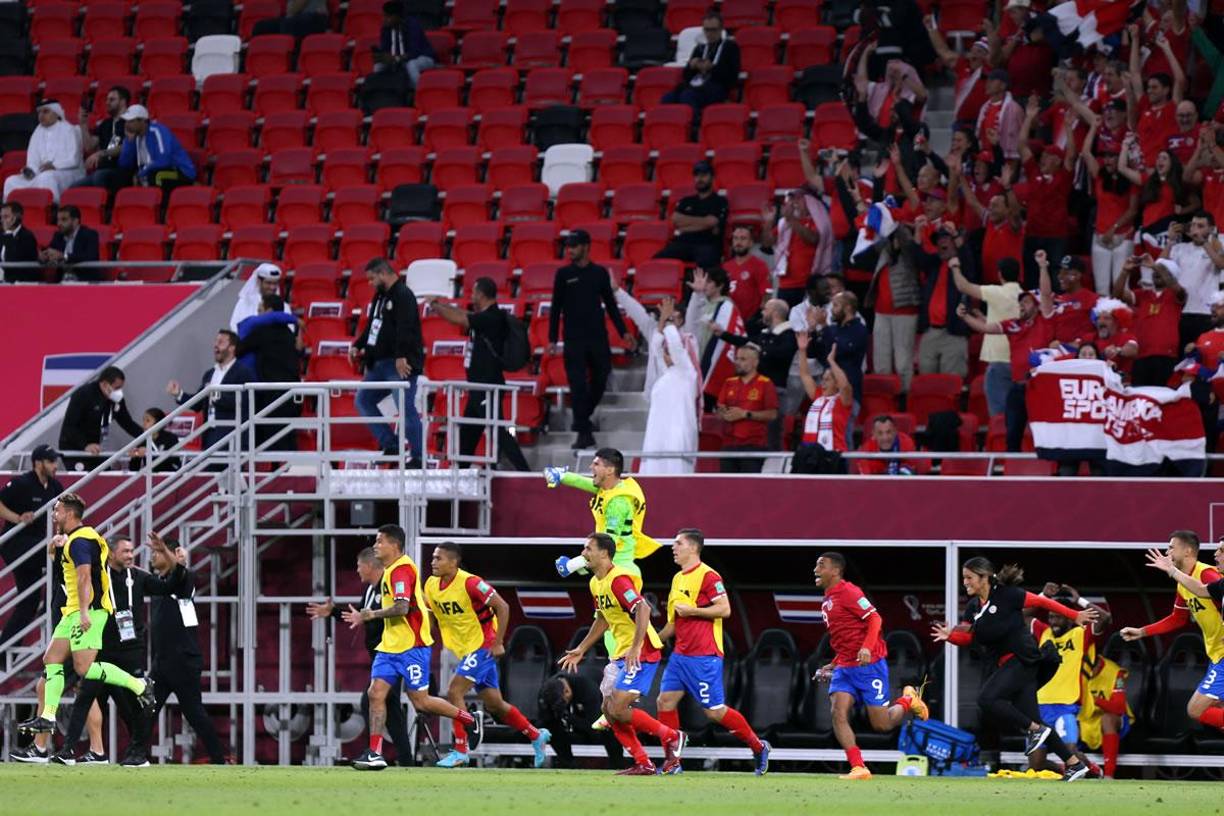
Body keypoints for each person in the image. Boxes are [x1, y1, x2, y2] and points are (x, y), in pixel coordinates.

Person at [930, 557, 1095, 783]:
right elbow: (968, 636)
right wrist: (950, 636)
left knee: (987, 699)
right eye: (964, 578)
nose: (965, 582)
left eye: (969, 577)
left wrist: (1075, 615)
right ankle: (1074, 765)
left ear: (984, 578)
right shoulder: (973, 607)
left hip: (1022, 659)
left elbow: (1043, 602)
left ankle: (1034, 729)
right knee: (1035, 720)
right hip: (1007, 666)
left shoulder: (1008, 594)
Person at [17, 494, 155, 739]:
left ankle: (139, 685)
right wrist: (55, 551)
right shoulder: (82, 538)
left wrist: (83, 612)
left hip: (88, 610)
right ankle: (48, 717)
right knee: (52, 660)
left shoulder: (80, 541)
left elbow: (84, 577)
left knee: (84, 668)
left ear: (69, 514)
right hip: (73, 610)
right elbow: (70, 572)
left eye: (57, 510)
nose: (53, 514)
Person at [348, 524, 475, 771]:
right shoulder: (389, 570)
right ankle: (375, 752)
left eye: (379, 541)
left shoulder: (402, 570)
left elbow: (401, 607)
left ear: (394, 545)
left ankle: (469, 719)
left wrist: (370, 614)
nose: (375, 546)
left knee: (422, 702)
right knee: (375, 694)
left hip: (411, 647)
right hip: (390, 646)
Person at [55, 535, 188, 766]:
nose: (130, 555)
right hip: (102, 650)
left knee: (136, 706)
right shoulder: (97, 577)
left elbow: (170, 586)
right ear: (112, 553)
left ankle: (138, 753)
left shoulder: (138, 576)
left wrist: (167, 554)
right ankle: (68, 750)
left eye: (131, 551)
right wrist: (58, 552)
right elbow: (67, 583)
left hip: (129, 652)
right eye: (125, 551)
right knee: (85, 698)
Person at [558, 533, 684, 776]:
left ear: (604, 553)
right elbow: (603, 619)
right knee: (608, 710)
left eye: (588, 549)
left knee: (616, 707)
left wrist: (636, 646)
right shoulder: (595, 583)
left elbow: (643, 608)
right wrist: (582, 648)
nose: (583, 553)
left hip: (642, 650)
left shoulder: (619, 580)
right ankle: (643, 763)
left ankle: (672, 736)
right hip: (621, 653)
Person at [424, 542, 551, 768]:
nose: (433, 562)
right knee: (495, 705)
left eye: (439, 558)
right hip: (465, 650)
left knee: (454, 691)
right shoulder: (431, 585)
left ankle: (461, 750)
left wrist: (498, 642)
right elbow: (434, 616)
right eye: (433, 558)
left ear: (454, 562)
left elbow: (503, 607)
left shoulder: (471, 583)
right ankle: (536, 735)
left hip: (483, 645)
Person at [656, 528, 771, 775]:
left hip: (704, 657)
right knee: (664, 701)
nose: (673, 547)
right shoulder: (678, 579)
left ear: (693, 548)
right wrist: (651, 640)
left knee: (714, 712)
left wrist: (694, 611)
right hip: (680, 656)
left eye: (678, 543)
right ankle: (672, 762)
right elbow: (674, 623)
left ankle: (758, 746)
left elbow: (725, 609)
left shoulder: (709, 576)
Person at [813, 552, 929, 780]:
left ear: (836, 571)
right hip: (845, 667)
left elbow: (875, 619)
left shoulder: (849, 592)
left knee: (881, 724)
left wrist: (866, 647)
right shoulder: (827, 600)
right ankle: (858, 767)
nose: (816, 569)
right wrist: (834, 663)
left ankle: (908, 700)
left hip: (869, 666)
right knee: (837, 713)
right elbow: (844, 638)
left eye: (821, 565)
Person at [307, 548, 414, 767]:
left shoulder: (388, 585)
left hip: (394, 654)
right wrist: (334, 612)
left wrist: (369, 616)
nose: (357, 570)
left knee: (372, 700)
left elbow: (396, 612)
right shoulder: (369, 590)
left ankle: (378, 754)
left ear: (371, 566)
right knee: (390, 707)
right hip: (380, 656)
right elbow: (361, 615)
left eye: (359, 565)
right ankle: (404, 760)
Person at [958, 249, 1058, 451]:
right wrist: (965, 317)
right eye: (1020, 302)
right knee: (1012, 435)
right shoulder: (1014, 325)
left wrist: (1042, 266)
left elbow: (1046, 294)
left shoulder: (1044, 321)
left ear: (1037, 307)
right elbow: (986, 328)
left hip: (1038, 387)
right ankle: (1011, 473)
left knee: (1040, 433)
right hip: (1016, 388)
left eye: (1027, 302)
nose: (1022, 305)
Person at [428, 278, 531, 471]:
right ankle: (460, 474)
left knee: (499, 430)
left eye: (474, 292)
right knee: (468, 434)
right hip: (478, 386)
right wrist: (442, 304)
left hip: (487, 386)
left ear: (482, 295)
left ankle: (526, 473)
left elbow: (459, 319)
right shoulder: (486, 316)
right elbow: (464, 314)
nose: (471, 296)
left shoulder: (491, 318)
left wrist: (434, 305)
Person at [143, 531, 229, 763]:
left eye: (157, 553)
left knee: (194, 714)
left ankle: (220, 759)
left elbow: (180, 572)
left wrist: (173, 558)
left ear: (171, 555)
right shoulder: (159, 583)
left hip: (182, 661)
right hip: (162, 662)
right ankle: (136, 754)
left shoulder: (184, 578)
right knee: (147, 710)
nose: (152, 557)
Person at [1127, 532, 1224, 735]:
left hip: (1223, 655)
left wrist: (1171, 570)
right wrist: (1142, 632)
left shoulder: (1207, 575)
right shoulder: (1183, 584)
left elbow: (1204, 590)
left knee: (1197, 709)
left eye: (1172, 547)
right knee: (1213, 710)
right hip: (1215, 655)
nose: (1167, 551)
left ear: (1187, 551)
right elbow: (1177, 619)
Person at [548, 230, 627, 450]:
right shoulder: (563, 274)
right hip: (573, 338)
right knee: (578, 385)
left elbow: (610, 305)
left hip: (597, 337)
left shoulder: (599, 273)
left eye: (574, 246)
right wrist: (552, 338)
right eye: (568, 246)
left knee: (601, 378)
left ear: (586, 246)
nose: (570, 250)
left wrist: (623, 332)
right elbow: (555, 308)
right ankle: (583, 432)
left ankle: (581, 419)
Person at [612, 280, 701, 475]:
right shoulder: (665, 375)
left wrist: (668, 321)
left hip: (678, 437)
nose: (666, 354)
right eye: (665, 352)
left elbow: (676, 348)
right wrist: (663, 322)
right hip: (657, 438)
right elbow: (656, 347)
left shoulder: (687, 373)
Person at [1029, 584, 1110, 775]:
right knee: (1036, 763)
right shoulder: (1043, 632)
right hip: (1039, 705)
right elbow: (1022, 615)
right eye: (1051, 617)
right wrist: (1042, 596)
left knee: (1070, 751)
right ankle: (1065, 769)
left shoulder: (1081, 633)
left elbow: (1105, 618)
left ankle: (1094, 770)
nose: (1053, 621)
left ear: (1069, 617)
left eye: (1058, 617)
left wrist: (1078, 600)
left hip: (1066, 705)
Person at [352, 257, 424, 462]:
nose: (370, 283)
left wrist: (401, 356)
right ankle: (391, 445)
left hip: (399, 363)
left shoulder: (404, 295)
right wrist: (358, 344)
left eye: (372, 278)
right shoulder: (380, 296)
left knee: (405, 406)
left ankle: (418, 457)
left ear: (383, 273)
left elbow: (407, 328)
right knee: (363, 400)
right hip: (379, 363)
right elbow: (372, 325)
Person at [0, 445, 63, 653]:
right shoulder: (22, 483)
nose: (56, 466)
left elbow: (65, 509)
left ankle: (4, 650)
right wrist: (17, 518)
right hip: (16, 544)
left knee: (29, 601)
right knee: (58, 554)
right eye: (51, 461)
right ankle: (53, 603)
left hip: (37, 546)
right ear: (38, 463)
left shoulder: (55, 486)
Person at [951, 256, 1022, 416]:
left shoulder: (997, 292)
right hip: (1019, 364)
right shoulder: (1025, 297)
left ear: (1000, 275)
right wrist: (983, 318)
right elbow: (1006, 324)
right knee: (1017, 418)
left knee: (1000, 416)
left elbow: (963, 286)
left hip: (998, 363)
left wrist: (955, 267)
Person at [167, 330, 256, 451]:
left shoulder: (243, 372)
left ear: (231, 348)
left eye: (220, 342)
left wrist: (216, 395)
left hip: (232, 437)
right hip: (209, 435)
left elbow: (245, 401)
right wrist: (179, 393)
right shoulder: (209, 374)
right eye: (215, 341)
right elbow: (199, 403)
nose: (215, 345)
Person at [236, 293, 303, 452]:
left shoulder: (261, 332)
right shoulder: (288, 333)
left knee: (270, 442)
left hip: (272, 394)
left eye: (260, 310)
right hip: (293, 394)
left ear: (269, 312)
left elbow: (238, 350)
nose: (258, 315)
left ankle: (274, 475)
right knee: (287, 438)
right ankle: (291, 473)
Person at [1081, 120, 1138, 296]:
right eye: (1105, 156)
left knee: (1121, 286)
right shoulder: (1100, 176)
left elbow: (1133, 209)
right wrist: (1092, 128)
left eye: (1112, 156)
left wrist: (1113, 229)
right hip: (1100, 237)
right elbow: (1085, 153)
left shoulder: (1131, 180)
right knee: (1101, 288)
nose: (1107, 160)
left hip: (1123, 236)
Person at [1113, 256, 1184, 386]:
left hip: (1166, 357)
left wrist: (1154, 266)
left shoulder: (1176, 296)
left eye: (1162, 271)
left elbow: (1179, 290)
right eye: (1154, 271)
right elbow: (1117, 294)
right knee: (1141, 399)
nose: (1156, 273)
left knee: (1163, 399)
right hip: (1141, 356)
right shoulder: (1143, 295)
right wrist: (1125, 271)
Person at [57, 365, 143, 467]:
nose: (119, 392)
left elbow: (127, 423)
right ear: (104, 384)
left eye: (121, 388)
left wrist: (148, 436)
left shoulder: (116, 399)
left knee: (105, 477)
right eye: (117, 388)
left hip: (95, 449)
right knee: (84, 479)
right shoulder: (83, 394)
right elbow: (69, 427)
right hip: (74, 447)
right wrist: (85, 445)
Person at [917, 228, 975, 378]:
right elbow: (916, 257)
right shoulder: (934, 265)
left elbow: (967, 258)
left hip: (953, 333)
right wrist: (918, 229)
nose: (941, 241)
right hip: (930, 332)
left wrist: (956, 235)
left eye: (946, 238)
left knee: (951, 384)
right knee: (925, 382)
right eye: (939, 239)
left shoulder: (964, 267)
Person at [1163, 212, 1224, 352]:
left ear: (1211, 228)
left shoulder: (1217, 246)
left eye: (1201, 226)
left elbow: (1221, 264)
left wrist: (1204, 242)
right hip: (1183, 312)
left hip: (1207, 314)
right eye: (1193, 225)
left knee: (1204, 356)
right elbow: (1160, 266)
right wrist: (1170, 241)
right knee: (1184, 359)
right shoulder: (1180, 248)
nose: (1195, 229)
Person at [661, 13, 740, 120]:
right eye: (707, 30)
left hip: (716, 86)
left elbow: (732, 77)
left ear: (721, 29)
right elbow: (686, 76)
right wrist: (692, 66)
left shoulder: (730, 47)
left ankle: (694, 125)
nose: (710, 34)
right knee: (667, 98)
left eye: (713, 30)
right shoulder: (700, 48)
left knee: (688, 96)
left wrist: (711, 68)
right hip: (696, 85)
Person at [2, 100, 83, 203]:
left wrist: (55, 166)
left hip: (69, 172)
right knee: (11, 181)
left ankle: (51, 210)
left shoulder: (69, 130)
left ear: (56, 112)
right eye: (39, 112)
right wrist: (30, 171)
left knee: (47, 177)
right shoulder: (37, 132)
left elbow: (74, 160)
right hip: (41, 174)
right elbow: (33, 160)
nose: (41, 115)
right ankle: (13, 213)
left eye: (45, 112)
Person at [794, 333, 853, 470]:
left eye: (827, 379)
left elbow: (845, 386)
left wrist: (831, 362)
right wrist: (802, 351)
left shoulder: (842, 401)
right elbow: (804, 374)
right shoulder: (818, 396)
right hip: (809, 456)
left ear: (836, 383)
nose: (823, 383)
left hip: (832, 456)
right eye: (822, 379)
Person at [715, 345, 778, 472]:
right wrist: (723, 413)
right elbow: (719, 409)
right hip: (728, 443)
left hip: (753, 445)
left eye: (743, 359)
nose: (738, 362)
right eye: (737, 359)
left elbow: (772, 414)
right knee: (726, 487)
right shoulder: (729, 382)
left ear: (755, 362)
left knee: (748, 488)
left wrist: (746, 414)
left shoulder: (765, 383)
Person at [655, 162, 729, 270]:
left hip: (708, 244)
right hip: (683, 243)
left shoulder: (720, 201)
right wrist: (704, 223)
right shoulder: (686, 201)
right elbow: (676, 221)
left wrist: (686, 224)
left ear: (712, 177)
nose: (700, 179)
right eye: (697, 175)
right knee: (657, 261)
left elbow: (712, 222)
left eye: (704, 175)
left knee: (707, 263)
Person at [537, 673, 620, 768]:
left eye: (564, 702)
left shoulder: (588, 689)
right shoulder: (546, 692)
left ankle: (618, 765)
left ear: (567, 691)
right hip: (579, 726)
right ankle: (568, 765)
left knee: (610, 728)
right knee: (551, 728)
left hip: (600, 717)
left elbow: (595, 726)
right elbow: (544, 722)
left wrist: (568, 717)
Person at [116, 105, 196, 203]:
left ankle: (160, 209)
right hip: (153, 171)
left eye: (131, 121)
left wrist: (142, 172)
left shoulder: (158, 131)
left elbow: (164, 160)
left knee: (156, 176)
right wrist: (129, 142)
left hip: (180, 172)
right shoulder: (135, 137)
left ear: (143, 121)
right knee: (123, 176)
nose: (127, 125)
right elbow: (124, 164)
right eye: (126, 121)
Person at [1077, 651, 1133, 779]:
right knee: (1066, 720)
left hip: (1115, 720)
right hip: (1087, 719)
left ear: (1096, 665)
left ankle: (1108, 774)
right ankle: (1076, 769)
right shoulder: (1077, 670)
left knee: (1107, 719)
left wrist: (1095, 700)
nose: (1088, 673)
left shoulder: (1116, 673)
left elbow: (1119, 708)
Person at [71, 86, 132, 193]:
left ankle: (105, 208)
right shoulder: (105, 124)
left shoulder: (131, 122)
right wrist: (83, 124)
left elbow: (128, 146)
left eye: (112, 99)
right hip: (102, 171)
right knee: (73, 189)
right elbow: (89, 147)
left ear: (123, 102)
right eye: (107, 99)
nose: (107, 102)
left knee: (100, 176)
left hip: (122, 171)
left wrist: (101, 153)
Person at [373, 2, 436, 89]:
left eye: (387, 16)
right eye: (383, 16)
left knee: (411, 65)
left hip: (423, 57)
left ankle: (419, 93)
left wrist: (396, 58)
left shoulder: (412, 25)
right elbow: (385, 48)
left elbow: (414, 52)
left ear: (397, 16)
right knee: (378, 66)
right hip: (400, 59)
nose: (384, 19)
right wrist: (382, 57)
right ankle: (382, 95)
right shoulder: (385, 29)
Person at [723, 225, 772, 328]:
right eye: (735, 238)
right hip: (728, 319)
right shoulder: (725, 267)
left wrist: (759, 316)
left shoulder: (759, 265)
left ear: (751, 243)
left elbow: (767, 294)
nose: (738, 242)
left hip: (750, 322)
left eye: (743, 238)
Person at [40, 205, 101, 281]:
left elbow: (90, 257)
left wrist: (64, 256)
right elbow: (52, 250)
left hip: (85, 281)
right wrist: (45, 255)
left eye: (64, 220)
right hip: (61, 282)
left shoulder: (90, 235)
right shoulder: (58, 235)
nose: (59, 224)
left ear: (75, 221)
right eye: (58, 220)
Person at [975, 69, 1024, 162]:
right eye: (987, 80)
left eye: (992, 80)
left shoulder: (1015, 109)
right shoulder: (984, 108)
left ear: (1003, 85)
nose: (987, 83)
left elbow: (1021, 138)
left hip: (1005, 161)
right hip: (986, 160)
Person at [856, 415, 926, 475]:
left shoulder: (906, 443)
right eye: (880, 433)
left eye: (888, 432)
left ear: (895, 431)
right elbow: (867, 481)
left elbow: (911, 472)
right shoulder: (866, 451)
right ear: (873, 434)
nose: (885, 438)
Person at [230, 262, 290, 332]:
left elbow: (289, 329)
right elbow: (234, 326)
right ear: (258, 281)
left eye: (275, 283)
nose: (272, 287)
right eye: (268, 283)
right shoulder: (244, 302)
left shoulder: (284, 306)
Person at [128, 407, 182, 472]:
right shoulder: (142, 440)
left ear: (158, 422)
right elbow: (133, 469)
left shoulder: (171, 438)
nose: (144, 424)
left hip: (169, 477)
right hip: (150, 478)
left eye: (148, 420)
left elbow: (173, 461)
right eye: (143, 420)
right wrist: (135, 457)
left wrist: (150, 452)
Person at [0, 201, 41, 282]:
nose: (2, 221)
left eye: (6, 217)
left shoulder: (27, 237)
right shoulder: (2, 236)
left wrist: (8, 233)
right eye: (1, 217)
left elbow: (12, 260)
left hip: (21, 283)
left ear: (16, 218)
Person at [251, 0, 329, 37]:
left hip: (316, 18)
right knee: (260, 27)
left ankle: (289, 61)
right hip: (295, 18)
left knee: (288, 24)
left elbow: (296, 6)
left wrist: (290, 12)